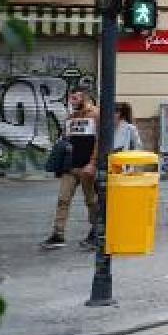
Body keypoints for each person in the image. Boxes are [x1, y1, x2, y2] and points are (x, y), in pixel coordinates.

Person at [41, 87, 101, 250]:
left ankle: (96, 232)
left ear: (85, 98)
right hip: (71, 166)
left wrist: (93, 163)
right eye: (70, 98)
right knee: (63, 199)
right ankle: (58, 234)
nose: (71, 101)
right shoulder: (70, 117)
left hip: (87, 166)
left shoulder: (96, 115)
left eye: (75, 98)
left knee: (91, 201)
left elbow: (99, 141)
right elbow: (67, 140)